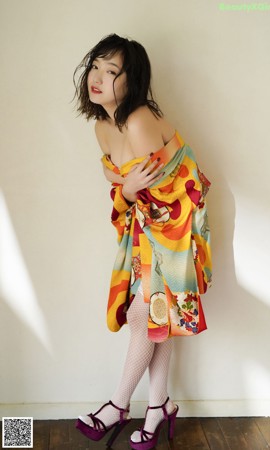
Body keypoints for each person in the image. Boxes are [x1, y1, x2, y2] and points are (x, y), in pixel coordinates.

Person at [73, 33, 212, 449]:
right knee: (156, 320)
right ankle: (159, 407)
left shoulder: (138, 120)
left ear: (131, 82)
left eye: (111, 71)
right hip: (145, 231)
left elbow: (171, 191)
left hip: (176, 228)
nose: (97, 77)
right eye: (95, 66)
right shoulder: (102, 126)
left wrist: (130, 189)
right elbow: (121, 180)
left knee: (141, 316)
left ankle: (118, 404)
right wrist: (127, 189)